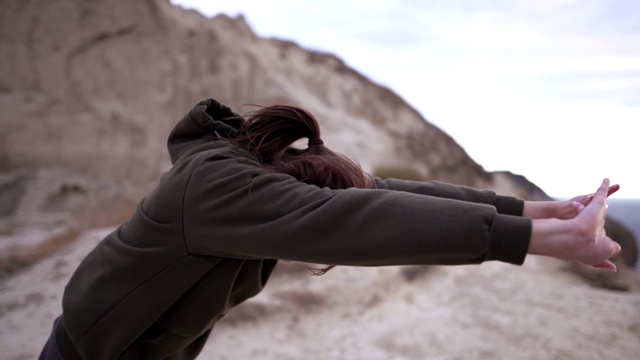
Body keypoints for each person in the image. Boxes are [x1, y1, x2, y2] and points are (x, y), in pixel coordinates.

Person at [39, 99, 621, 360]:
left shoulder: (257, 171)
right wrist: (542, 245)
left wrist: (535, 212)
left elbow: (384, 195)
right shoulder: (217, 187)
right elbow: (350, 220)